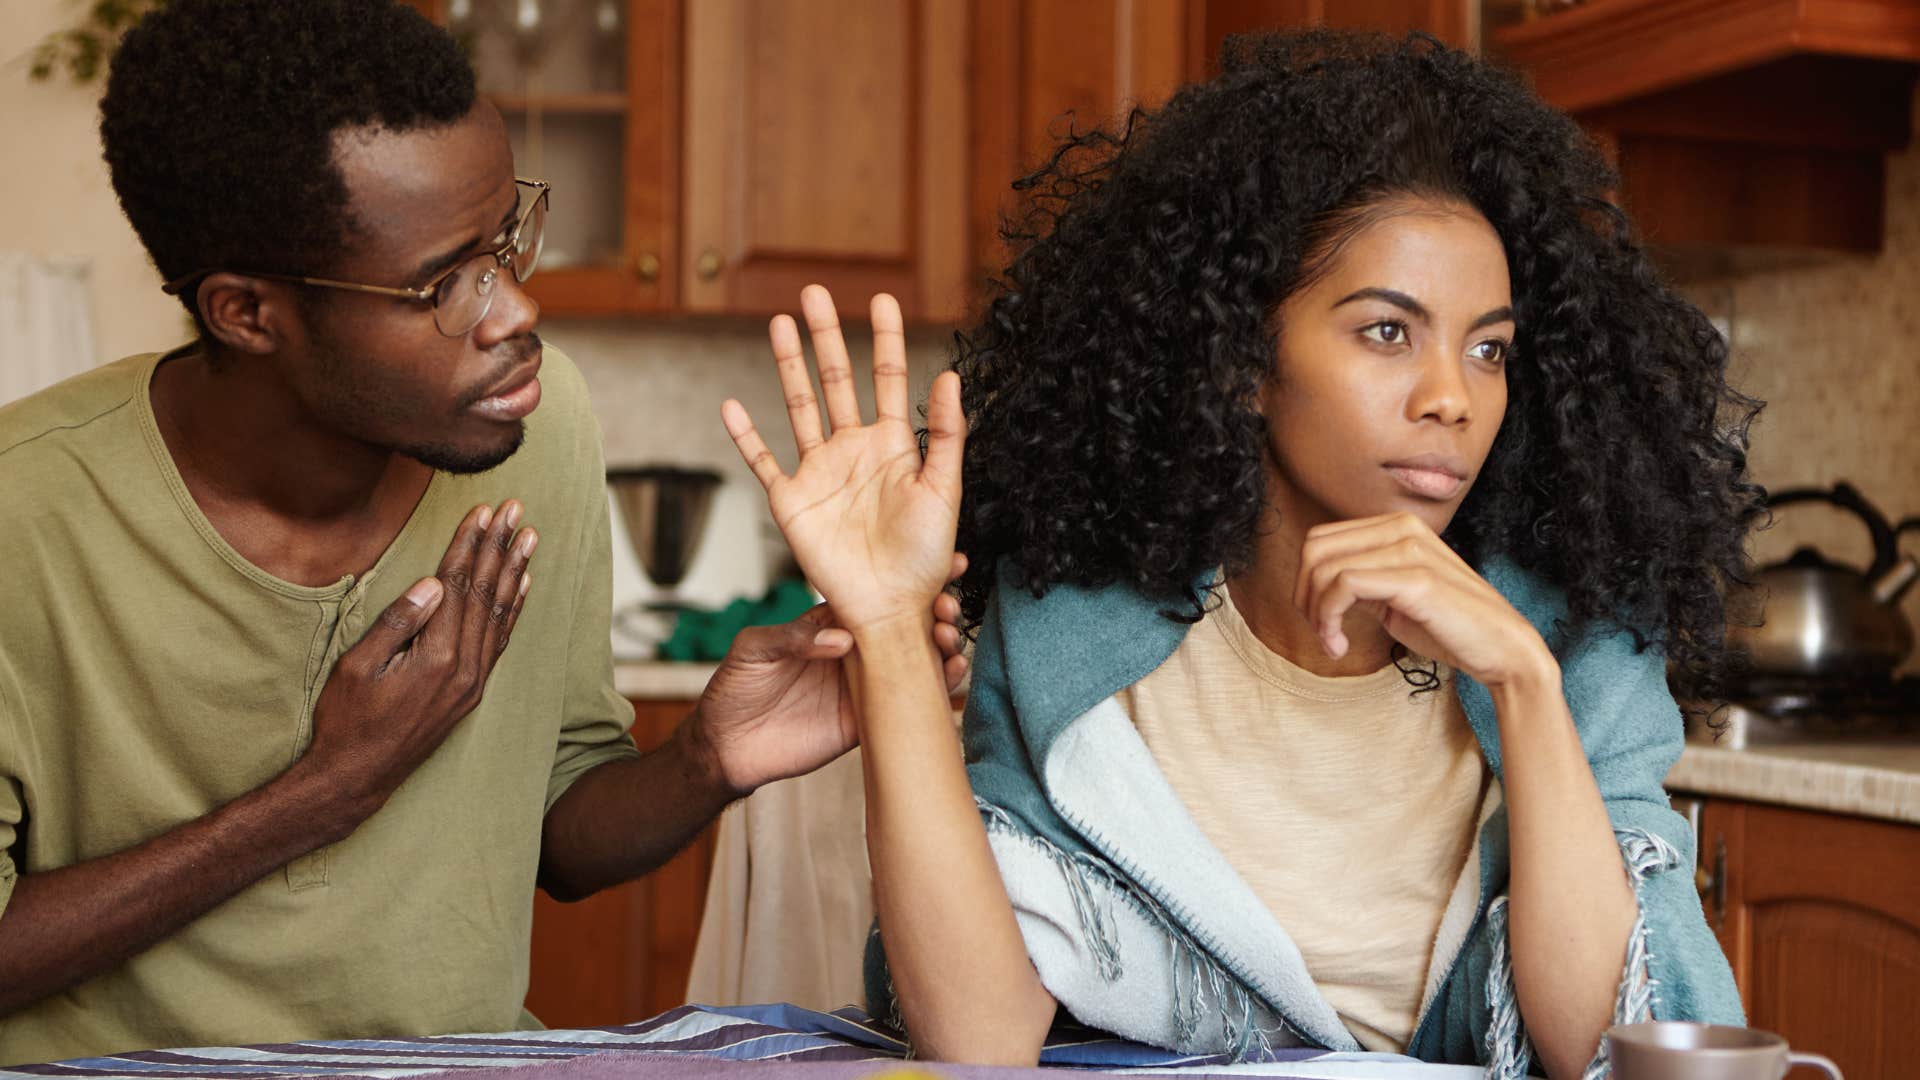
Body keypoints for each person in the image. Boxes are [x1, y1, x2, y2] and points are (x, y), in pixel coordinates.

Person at [723, 30, 1763, 1080]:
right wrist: (893, 630)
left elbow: (1618, 1048)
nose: (1454, 397)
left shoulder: (1577, 638)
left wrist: (1524, 685)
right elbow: (979, 1040)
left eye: (1489, 348)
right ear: (1241, 364)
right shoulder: (1074, 632)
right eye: (1387, 332)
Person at [0, 0, 965, 1065]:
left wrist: (709, 757)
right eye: (440, 283)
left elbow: (558, 832)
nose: (514, 314)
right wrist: (323, 793)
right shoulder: (23, 517)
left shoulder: (538, 432)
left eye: (507, 239)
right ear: (247, 312)